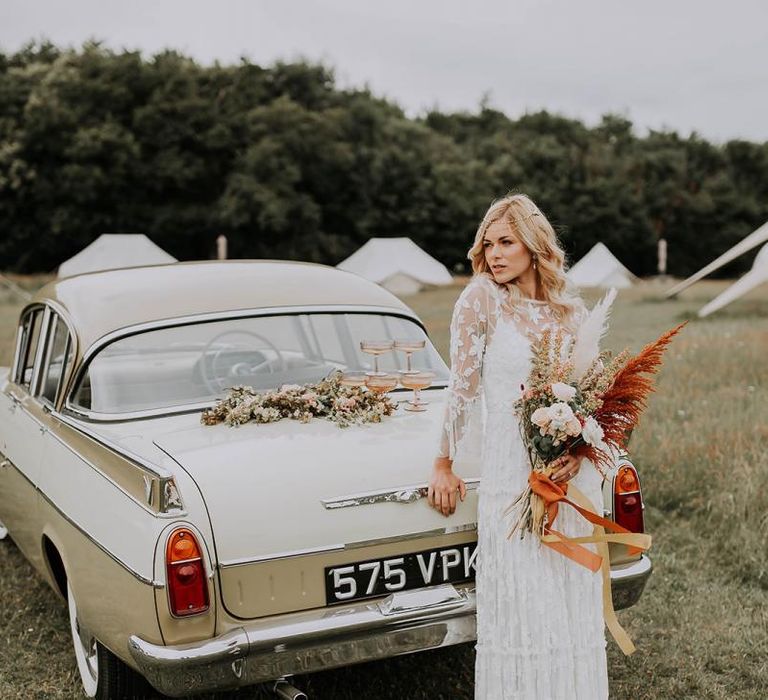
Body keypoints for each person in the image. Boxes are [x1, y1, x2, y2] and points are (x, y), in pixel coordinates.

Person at [428, 193, 609, 699]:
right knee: (523, 604)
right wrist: (444, 462)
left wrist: (579, 451)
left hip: (568, 483)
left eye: (506, 242)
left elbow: (591, 397)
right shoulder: (481, 299)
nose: (494, 255)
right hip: (511, 478)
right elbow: (461, 389)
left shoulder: (570, 310)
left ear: (534, 244)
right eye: (488, 244)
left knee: (567, 602)